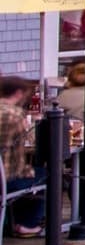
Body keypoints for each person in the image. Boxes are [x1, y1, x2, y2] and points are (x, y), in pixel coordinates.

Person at [3, 78, 47, 236]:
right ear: (19, 93)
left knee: (31, 173)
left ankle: (14, 220)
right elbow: (34, 141)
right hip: (6, 178)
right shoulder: (15, 115)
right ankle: (27, 224)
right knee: (46, 174)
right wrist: (36, 121)